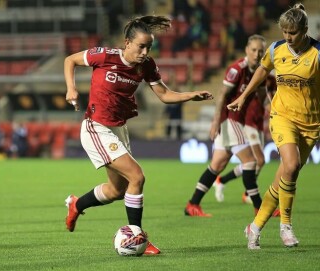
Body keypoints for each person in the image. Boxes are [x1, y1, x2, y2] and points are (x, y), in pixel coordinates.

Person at [63, 15, 213, 255]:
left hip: (118, 129)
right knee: (137, 176)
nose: (145, 52)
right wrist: (71, 88)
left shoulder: (147, 66)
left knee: (117, 191)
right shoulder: (104, 55)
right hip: (96, 127)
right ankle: (137, 237)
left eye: (149, 47)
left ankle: (76, 204)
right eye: (141, 46)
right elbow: (70, 60)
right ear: (127, 43)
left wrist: (190, 95)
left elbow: (164, 94)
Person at [228, 3, 320, 249]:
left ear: (305, 30)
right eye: (284, 32)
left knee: (285, 176)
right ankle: (286, 227)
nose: (288, 37)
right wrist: (244, 96)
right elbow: (261, 71)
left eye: (293, 33)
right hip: (282, 116)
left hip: (311, 123)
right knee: (290, 165)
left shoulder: (317, 54)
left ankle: (254, 227)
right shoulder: (276, 49)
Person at [184, 34, 268, 217]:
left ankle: (192, 205)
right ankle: (260, 208)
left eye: (260, 51)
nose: (257, 53)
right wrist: (215, 122)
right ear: (247, 49)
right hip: (229, 119)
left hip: (236, 121)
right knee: (251, 162)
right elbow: (222, 94)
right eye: (253, 50)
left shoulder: (260, 71)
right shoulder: (237, 69)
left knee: (217, 165)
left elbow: (263, 97)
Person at [214, 73, 276, 204]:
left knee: (254, 162)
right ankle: (249, 194)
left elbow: (271, 100)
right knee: (259, 159)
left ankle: (222, 180)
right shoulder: (252, 75)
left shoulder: (272, 80)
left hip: (258, 122)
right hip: (248, 121)